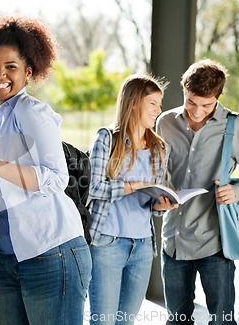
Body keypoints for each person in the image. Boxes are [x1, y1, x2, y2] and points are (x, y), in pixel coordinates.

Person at [0, 15, 92, 325]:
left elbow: (56, 179)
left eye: (10, 67)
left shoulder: (33, 112)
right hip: (9, 260)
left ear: (28, 72)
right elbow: (2, 195)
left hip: (52, 253)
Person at [156, 59, 239, 325]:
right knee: (176, 320)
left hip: (215, 243)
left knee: (221, 321)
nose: (197, 112)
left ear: (218, 97)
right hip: (173, 240)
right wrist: (159, 195)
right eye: (191, 102)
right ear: (185, 91)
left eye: (206, 105)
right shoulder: (165, 123)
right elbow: (157, 171)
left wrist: (238, 190)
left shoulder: (236, 126)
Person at [87, 74, 177, 325]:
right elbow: (94, 189)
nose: (159, 110)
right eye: (153, 103)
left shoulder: (159, 147)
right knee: (103, 321)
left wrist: (161, 204)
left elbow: (152, 205)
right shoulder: (107, 139)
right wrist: (133, 185)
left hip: (143, 247)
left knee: (126, 322)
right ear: (134, 102)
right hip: (107, 244)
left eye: (159, 104)